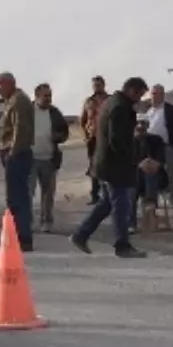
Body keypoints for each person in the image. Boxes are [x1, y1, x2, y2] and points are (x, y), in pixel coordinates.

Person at [71, 77, 149, 258]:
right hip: (114, 166)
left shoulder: (112, 102)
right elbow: (117, 140)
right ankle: (122, 245)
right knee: (121, 205)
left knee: (107, 204)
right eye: (139, 94)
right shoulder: (120, 108)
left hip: (107, 164)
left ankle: (81, 235)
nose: (139, 99)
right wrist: (135, 159)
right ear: (132, 90)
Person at [0, 72, 36, 251]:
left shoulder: (19, 100)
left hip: (17, 154)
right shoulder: (11, 100)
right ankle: (18, 235)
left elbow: (21, 129)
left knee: (18, 198)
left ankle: (23, 237)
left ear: (10, 83)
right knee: (15, 198)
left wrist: (12, 152)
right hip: (13, 153)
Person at [29, 83, 70, 233]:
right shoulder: (28, 111)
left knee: (48, 193)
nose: (48, 99)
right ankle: (27, 222)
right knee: (28, 191)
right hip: (30, 158)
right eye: (45, 96)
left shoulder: (54, 112)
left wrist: (58, 137)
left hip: (49, 159)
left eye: (50, 96)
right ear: (37, 96)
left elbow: (65, 132)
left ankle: (46, 221)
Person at [143, 84, 173, 208]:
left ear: (163, 95)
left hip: (166, 146)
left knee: (170, 173)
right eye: (153, 94)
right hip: (150, 147)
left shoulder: (170, 109)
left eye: (157, 94)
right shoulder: (148, 111)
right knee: (151, 174)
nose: (155, 96)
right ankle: (152, 201)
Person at [79, 76, 110, 204]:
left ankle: (107, 195)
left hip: (107, 138)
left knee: (107, 165)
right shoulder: (88, 102)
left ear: (104, 85)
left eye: (99, 84)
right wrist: (85, 136)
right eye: (95, 85)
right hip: (93, 138)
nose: (97, 87)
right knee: (93, 166)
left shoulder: (110, 100)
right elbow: (83, 121)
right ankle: (95, 195)